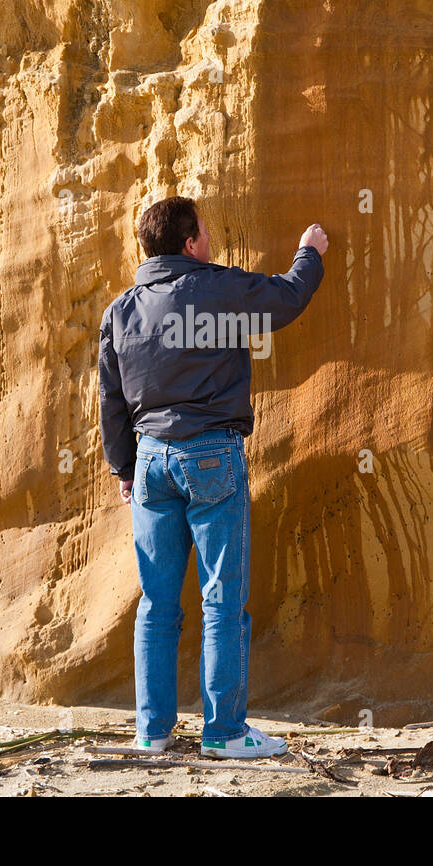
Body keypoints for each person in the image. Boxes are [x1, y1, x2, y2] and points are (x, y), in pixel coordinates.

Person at [98, 195, 327, 757]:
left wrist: (124, 467)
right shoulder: (215, 288)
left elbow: (109, 398)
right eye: (205, 231)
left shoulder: (121, 310)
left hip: (150, 461)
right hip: (209, 456)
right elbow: (285, 298)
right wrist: (310, 254)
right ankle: (223, 733)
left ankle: (152, 733)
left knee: (156, 603)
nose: (211, 240)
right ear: (189, 242)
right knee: (222, 600)